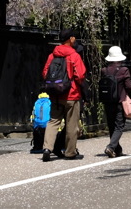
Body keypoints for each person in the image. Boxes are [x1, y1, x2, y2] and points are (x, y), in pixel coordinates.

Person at [41, 28, 87, 161]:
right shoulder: (74, 56)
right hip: (71, 95)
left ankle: (47, 148)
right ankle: (70, 152)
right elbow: (80, 75)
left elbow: (45, 73)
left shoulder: (52, 55)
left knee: (53, 121)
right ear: (71, 39)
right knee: (72, 125)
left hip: (55, 94)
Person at [101, 45, 131, 157]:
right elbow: (129, 86)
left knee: (111, 125)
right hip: (120, 101)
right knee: (119, 125)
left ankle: (117, 149)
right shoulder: (124, 70)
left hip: (107, 101)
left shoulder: (104, 70)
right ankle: (110, 147)